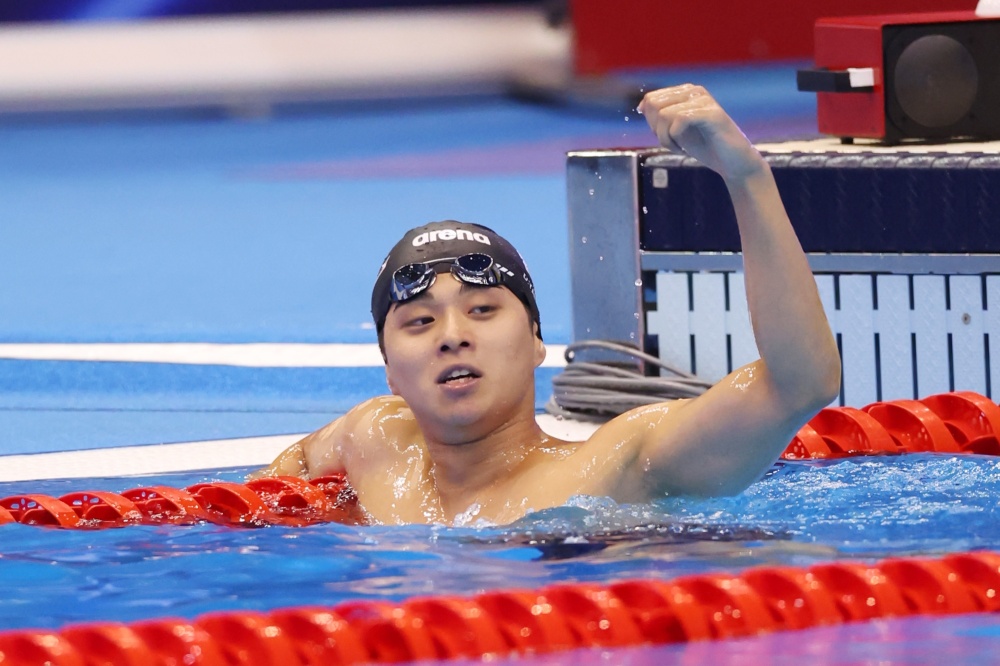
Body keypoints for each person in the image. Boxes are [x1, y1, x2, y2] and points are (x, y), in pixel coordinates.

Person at [250, 84, 842, 525]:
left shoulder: (619, 465)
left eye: (483, 311)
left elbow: (798, 384)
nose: (452, 336)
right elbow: (292, 465)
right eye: (420, 321)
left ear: (537, 342)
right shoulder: (375, 438)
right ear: (390, 370)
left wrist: (746, 176)